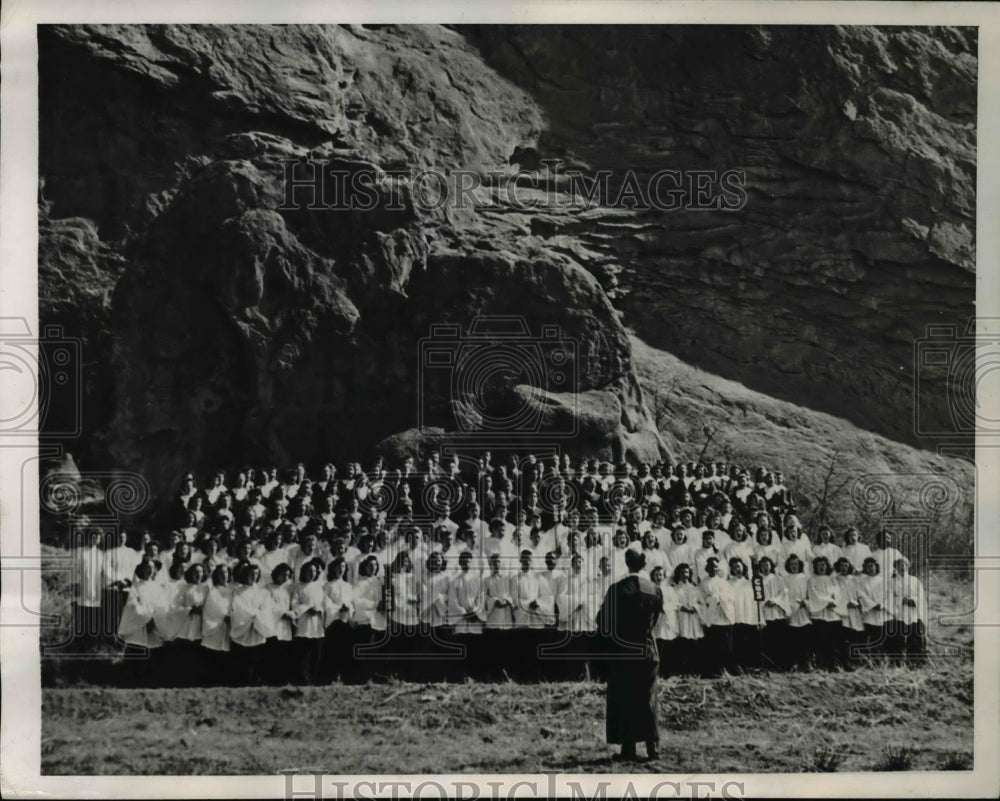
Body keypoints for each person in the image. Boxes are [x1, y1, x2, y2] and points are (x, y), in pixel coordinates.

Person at [595, 549, 663, 762]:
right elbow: (655, 621)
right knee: (648, 698)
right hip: (648, 650)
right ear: (643, 565)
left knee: (624, 698)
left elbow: (602, 621)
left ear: (627, 563)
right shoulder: (655, 590)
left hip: (624, 651)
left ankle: (628, 748)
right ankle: (652, 748)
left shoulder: (617, 589)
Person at [230, 562, 272, 685]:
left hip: (257, 626)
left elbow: (266, 608)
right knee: (243, 658)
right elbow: (238, 607)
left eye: (256, 574)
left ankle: (255, 681)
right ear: (246, 574)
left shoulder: (262, 592)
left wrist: (258, 615)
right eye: (251, 574)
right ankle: (242, 682)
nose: (254, 576)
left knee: (256, 657)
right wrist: (252, 613)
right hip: (243, 626)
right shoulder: (238, 591)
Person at [806, 556, 842, 670]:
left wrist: (834, 602)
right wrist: (828, 601)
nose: (821, 567)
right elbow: (814, 595)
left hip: (832, 613)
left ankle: (833, 665)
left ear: (827, 566)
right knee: (821, 639)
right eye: (819, 565)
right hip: (819, 613)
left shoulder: (832, 580)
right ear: (815, 567)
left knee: (832, 640)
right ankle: (821, 665)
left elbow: (837, 594)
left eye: (823, 565)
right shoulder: (812, 580)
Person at [891, 557, 927, 665]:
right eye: (899, 565)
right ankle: (898, 661)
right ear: (895, 568)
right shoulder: (892, 582)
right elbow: (890, 597)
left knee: (914, 636)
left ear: (908, 566)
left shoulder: (915, 581)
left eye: (904, 565)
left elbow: (921, 596)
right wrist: (901, 600)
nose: (901, 567)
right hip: (900, 612)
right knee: (899, 637)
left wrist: (913, 600)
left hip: (913, 611)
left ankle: (914, 661)